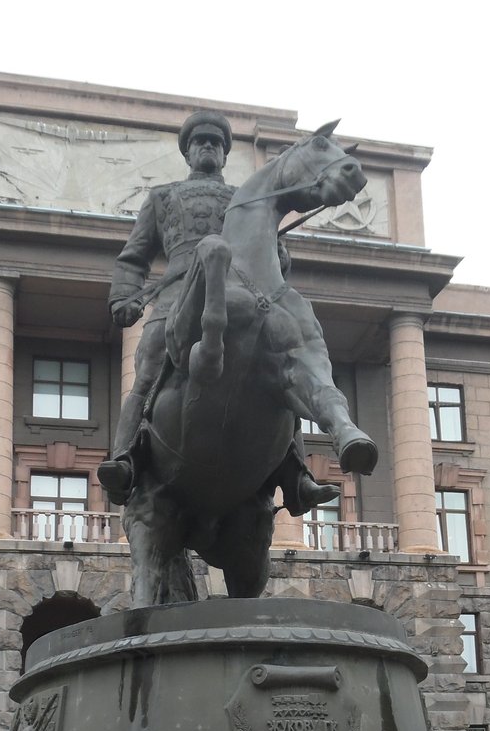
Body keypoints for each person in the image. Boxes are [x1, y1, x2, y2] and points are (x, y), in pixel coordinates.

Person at [98, 108, 336, 513]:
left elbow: (274, 255)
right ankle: (126, 459)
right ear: (188, 152)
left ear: (225, 154)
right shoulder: (162, 198)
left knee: (282, 368)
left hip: (238, 298)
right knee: (151, 360)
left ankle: (296, 476)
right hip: (176, 297)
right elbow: (133, 258)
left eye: (216, 142)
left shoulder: (245, 199)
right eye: (199, 141)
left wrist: (275, 254)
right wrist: (124, 296)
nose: (208, 147)